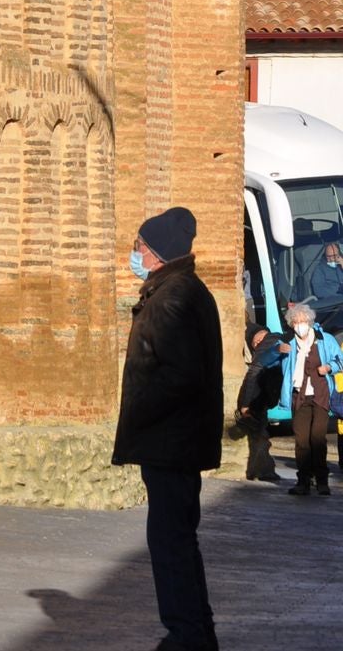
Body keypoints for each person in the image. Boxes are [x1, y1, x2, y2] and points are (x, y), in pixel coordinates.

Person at [112, 207, 222, 651]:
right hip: (177, 439)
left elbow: (178, 375)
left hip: (171, 441)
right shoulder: (183, 290)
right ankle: (196, 630)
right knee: (179, 539)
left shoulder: (173, 297)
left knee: (170, 542)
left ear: (155, 252)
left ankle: (186, 634)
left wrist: (138, 412)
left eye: (138, 245)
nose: (134, 253)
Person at [279, 301, 343, 496]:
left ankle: (322, 481)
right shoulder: (288, 342)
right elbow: (271, 361)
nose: (300, 324)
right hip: (299, 397)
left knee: (318, 439)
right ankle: (303, 481)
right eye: (296, 321)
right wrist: (277, 351)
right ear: (291, 324)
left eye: (303, 320)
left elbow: (340, 360)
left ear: (310, 321)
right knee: (301, 441)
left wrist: (329, 367)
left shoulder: (326, 339)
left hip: (321, 395)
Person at [232, 323, 285, 483]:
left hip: (257, 397)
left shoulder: (267, 342)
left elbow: (253, 373)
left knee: (257, 432)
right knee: (258, 432)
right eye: (255, 343)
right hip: (260, 397)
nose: (257, 345)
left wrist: (245, 403)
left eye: (258, 341)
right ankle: (262, 469)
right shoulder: (273, 340)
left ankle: (262, 469)